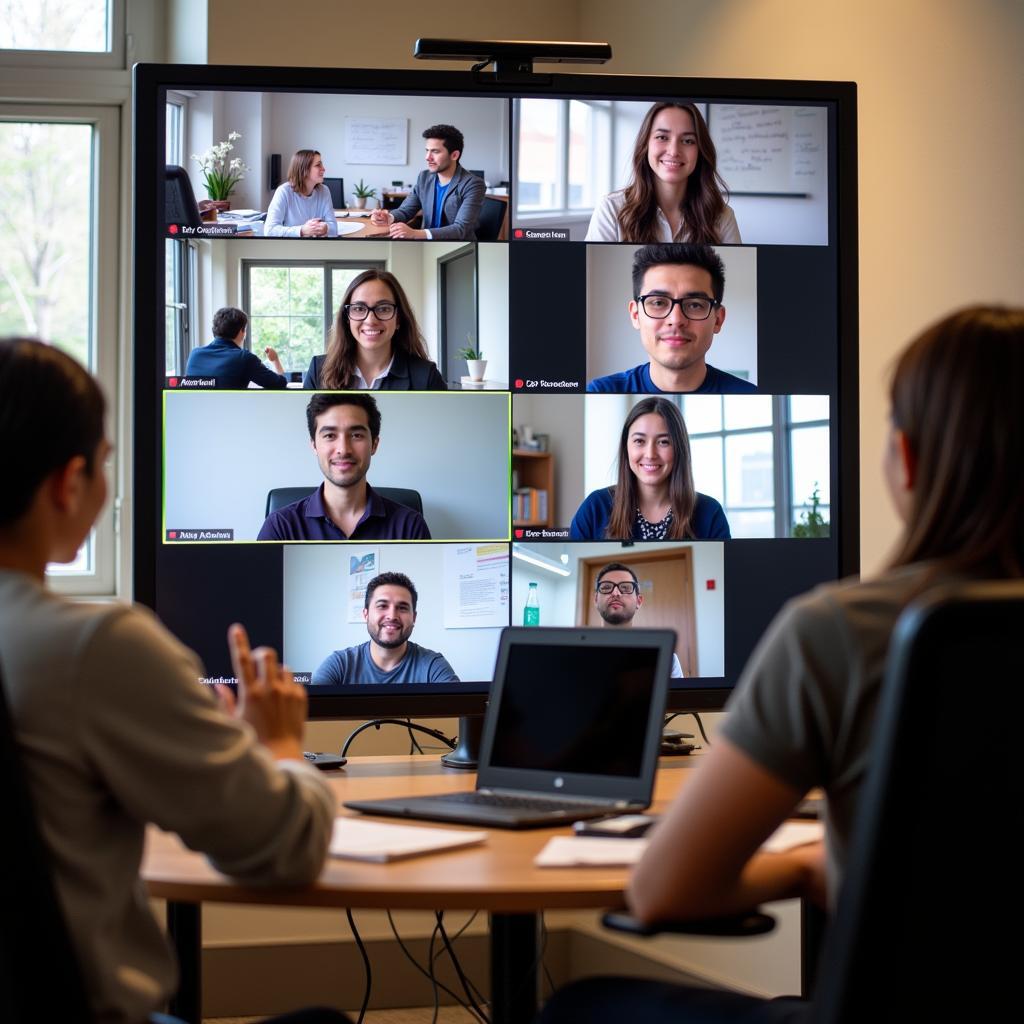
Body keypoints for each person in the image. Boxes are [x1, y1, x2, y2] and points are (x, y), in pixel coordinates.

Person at [540, 305, 1024, 1023]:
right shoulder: (593, 510)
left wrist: (810, 866)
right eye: (636, 441)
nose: (649, 453)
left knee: (583, 1006)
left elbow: (665, 889)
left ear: (908, 460)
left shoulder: (840, 632)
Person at [0, 337, 350, 1024]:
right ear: (70, 484)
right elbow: (287, 849)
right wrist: (277, 745)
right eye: (105, 465)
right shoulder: (98, 646)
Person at [257, 392, 430, 541]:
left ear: (374, 444)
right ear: (314, 445)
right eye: (330, 435)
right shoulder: (281, 526)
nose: (343, 449)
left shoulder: (410, 526)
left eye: (356, 435)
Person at [587, 244, 757, 394]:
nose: (676, 319)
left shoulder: (750, 394)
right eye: (659, 302)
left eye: (695, 305)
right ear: (635, 315)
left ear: (718, 319)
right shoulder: (599, 390)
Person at [570, 397, 730, 541]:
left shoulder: (710, 512)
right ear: (626, 447)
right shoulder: (595, 507)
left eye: (663, 442)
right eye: (639, 441)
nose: (650, 454)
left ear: (679, 448)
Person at [585, 102, 741, 245]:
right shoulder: (611, 210)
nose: (673, 151)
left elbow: (735, 276)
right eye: (662, 137)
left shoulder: (723, 217)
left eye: (687, 141)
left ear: (700, 150)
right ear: (645, 144)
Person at [302, 269, 446, 390]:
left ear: (399, 319)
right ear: (347, 318)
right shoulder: (319, 370)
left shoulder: (427, 376)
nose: (370, 320)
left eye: (383, 309)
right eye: (359, 308)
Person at [312, 572, 459, 685]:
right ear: (366, 614)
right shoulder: (339, 664)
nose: (392, 615)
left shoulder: (433, 665)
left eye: (402, 608)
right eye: (382, 606)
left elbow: (459, 717)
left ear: (414, 618)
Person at [369, 124, 484, 241]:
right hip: (426, 246)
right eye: (427, 151)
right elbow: (406, 210)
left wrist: (415, 233)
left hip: (457, 247)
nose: (427, 157)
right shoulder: (424, 177)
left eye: (435, 151)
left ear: (454, 155)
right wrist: (389, 217)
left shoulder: (473, 184)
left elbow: (461, 229)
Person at [592, 562, 684, 678]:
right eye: (606, 587)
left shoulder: (666, 658)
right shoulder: (575, 653)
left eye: (625, 588)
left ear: (639, 601)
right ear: (596, 599)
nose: (615, 593)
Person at [183, 306, 288, 389]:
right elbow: (280, 383)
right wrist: (275, 360)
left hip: (197, 415)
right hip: (231, 414)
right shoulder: (244, 358)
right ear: (241, 332)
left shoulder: (195, 354)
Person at [265, 149, 339, 238]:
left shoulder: (324, 191)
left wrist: (326, 228)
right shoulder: (283, 191)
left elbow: (334, 228)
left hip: (316, 248)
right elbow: (269, 230)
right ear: (304, 170)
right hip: (290, 248)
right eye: (318, 165)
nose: (323, 169)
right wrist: (302, 231)